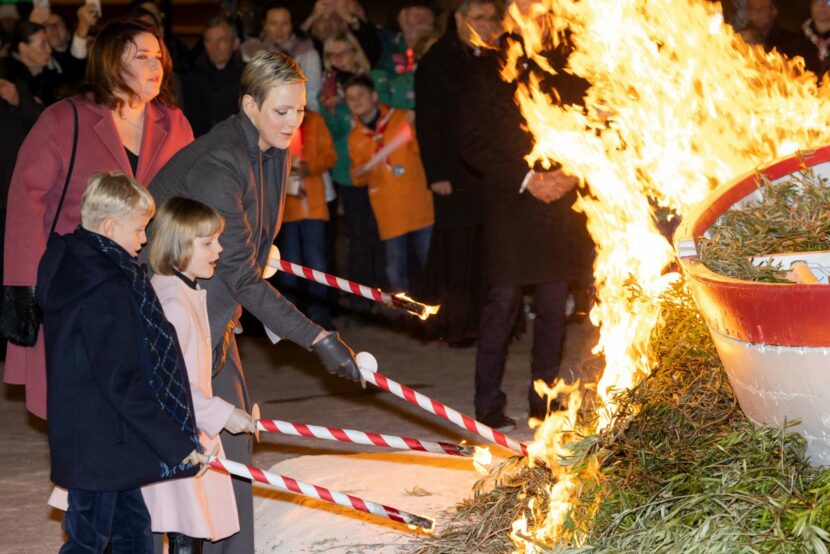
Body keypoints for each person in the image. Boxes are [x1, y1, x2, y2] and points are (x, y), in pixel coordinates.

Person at [148, 51, 361, 554]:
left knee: (237, 445)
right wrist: (317, 338)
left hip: (215, 314)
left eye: (300, 111)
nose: (292, 123)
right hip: (171, 320)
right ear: (249, 105)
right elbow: (239, 275)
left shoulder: (273, 146)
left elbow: (248, 246)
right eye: (280, 111)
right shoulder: (220, 163)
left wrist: (264, 248)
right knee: (175, 458)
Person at [3, 19, 194, 420]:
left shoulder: (174, 122)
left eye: (157, 57)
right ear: (110, 62)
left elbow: (190, 204)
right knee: (89, 410)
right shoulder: (63, 119)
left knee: (149, 406)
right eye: (141, 57)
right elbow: (27, 203)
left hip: (152, 289)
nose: (155, 66)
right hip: (82, 290)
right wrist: (22, 286)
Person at [36, 172, 205, 553]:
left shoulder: (80, 266)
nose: (144, 240)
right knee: (88, 539)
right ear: (111, 227)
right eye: (139, 229)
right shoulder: (105, 287)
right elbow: (121, 380)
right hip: (102, 443)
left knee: (134, 533)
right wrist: (175, 442)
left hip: (104, 441)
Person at [459, 0, 587, 429]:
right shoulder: (484, 71)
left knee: (554, 308)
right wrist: (528, 179)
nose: (536, 20)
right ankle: (488, 402)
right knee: (503, 307)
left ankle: (543, 399)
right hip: (512, 208)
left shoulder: (568, 67)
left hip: (558, 209)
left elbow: (592, 127)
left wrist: (568, 177)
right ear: (510, 22)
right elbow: (472, 144)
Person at [143, 197, 255, 554]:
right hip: (173, 438)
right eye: (207, 243)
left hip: (182, 433)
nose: (219, 249)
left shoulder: (185, 290)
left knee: (187, 523)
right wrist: (225, 415)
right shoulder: (173, 302)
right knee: (179, 523)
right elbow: (172, 383)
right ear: (177, 246)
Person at [414, 0, 500, 346]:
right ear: (459, 19)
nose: (486, 24)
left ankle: (484, 322)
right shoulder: (438, 60)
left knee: (485, 247)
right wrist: (436, 173)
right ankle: (454, 324)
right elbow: (428, 122)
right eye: (478, 18)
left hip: (487, 169)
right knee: (455, 249)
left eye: (491, 18)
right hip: (452, 171)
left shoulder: (494, 56)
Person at [345, 74, 434, 294]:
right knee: (395, 268)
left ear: (374, 95)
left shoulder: (402, 118)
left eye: (361, 95)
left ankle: (439, 311)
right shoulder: (355, 137)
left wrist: (417, 128)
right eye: (350, 98)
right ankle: (403, 318)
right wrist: (358, 172)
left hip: (418, 204)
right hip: (389, 210)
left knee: (430, 263)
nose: (356, 101)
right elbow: (359, 177)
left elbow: (425, 150)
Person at [320, 32, 386, 308]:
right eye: (332, 55)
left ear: (355, 51)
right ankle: (361, 299)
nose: (339, 59)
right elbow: (332, 135)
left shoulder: (377, 80)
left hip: (383, 170)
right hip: (350, 174)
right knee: (359, 235)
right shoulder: (328, 91)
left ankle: (383, 294)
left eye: (344, 52)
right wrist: (334, 112)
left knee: (382, 232)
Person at [275, 110, 337, 329]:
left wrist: (310, 166)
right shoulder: (277, 118)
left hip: (313, 204)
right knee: (290, 260)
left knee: (316, 260)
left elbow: (330, 155)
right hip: (289, 204)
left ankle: (319, 311)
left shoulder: (315, 120)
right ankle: (289, 315)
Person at [240, 1, 322, 111]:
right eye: (273, 24)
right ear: (265, 25)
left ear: (292, 25)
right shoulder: (251, 52)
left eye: (285, 23)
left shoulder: (307, 53)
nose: (279, 30)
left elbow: (313, 95)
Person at [181, 14, 245, 137]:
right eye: (209, 40)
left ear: (235, 43)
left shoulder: (248, 77)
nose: (214, 47)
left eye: (221, 40)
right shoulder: (192, 78)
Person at [372, 1, 436, 110]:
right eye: (417, 16)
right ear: (402, 20)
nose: (423, 20)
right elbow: (380, 85)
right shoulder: (386, 48)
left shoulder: (443, 49)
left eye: (428, 15)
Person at [301, 0, 382, 67]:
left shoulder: (359, 41)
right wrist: (312, 18)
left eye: (335, 19)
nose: (329, 25)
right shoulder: (311, 49)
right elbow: (293, 47)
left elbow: (373, 53)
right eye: (321, 20)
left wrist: (350, 19)